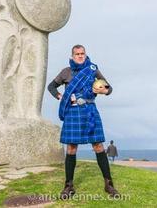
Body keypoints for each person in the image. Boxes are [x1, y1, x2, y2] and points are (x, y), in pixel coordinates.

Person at [47, 44, 120, 199]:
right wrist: (62, 97)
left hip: (90, 111)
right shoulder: (66, 72)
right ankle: (68, 186)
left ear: (85, 55)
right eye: (77, 54)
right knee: (71, 148)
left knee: (98, 146)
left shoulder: (93, 70)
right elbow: (51, 87)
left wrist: (104, 90)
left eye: (82, 53)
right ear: (72, 56)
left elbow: (109, 88)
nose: (80, 56)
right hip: (72, 112)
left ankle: (109, 184)